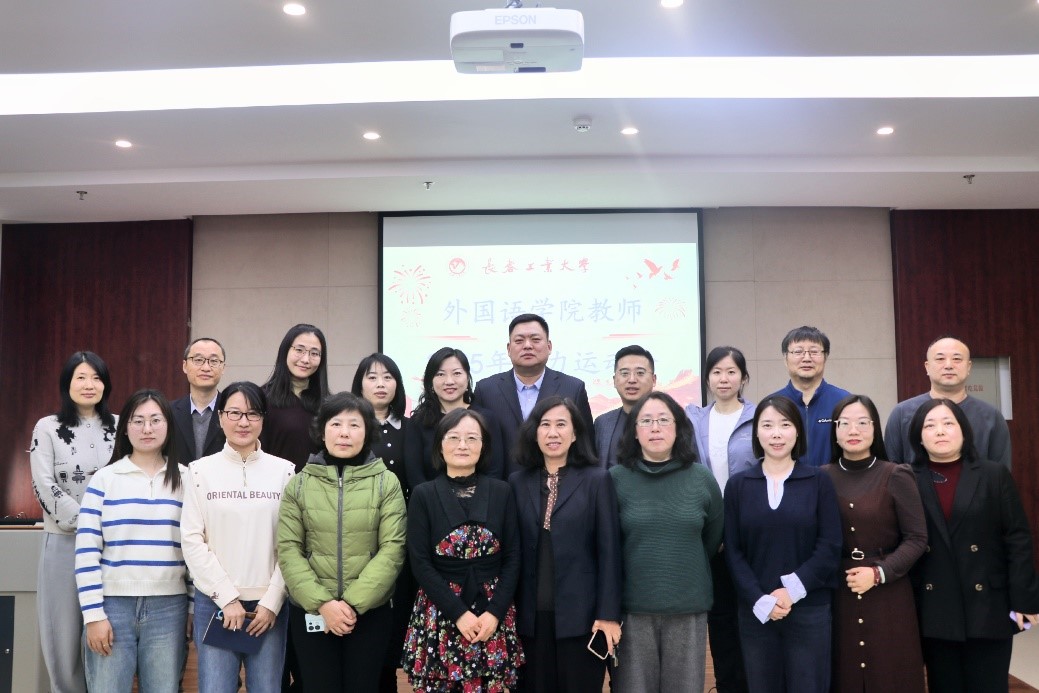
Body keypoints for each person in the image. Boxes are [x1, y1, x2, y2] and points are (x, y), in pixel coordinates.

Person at [277, 392, 407, 692]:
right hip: (312, 611)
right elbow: (288, 549)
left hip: (369, 612)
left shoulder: (386, 482)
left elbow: (393, 549)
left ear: (368, 432)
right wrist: (323, 604)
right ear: (322, 432)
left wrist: (350, 604)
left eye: (354, 425)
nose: (344, 432)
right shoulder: (299, 484)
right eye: (336, 424)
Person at [907, 398, 1039, 693]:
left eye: (948, 423)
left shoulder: (993, 474)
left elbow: (1017, 538)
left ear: (964, 431)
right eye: (930, 425)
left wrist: (1025, 599)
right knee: (945, 685)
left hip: (989, 604)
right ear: (919, 436)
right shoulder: (906, 478)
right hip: (934, 605)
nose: (940, 431)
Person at [75, 389, 192, 693]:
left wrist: (192, 607)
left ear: (168, 426)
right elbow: (86, 552)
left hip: (169, 608)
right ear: (125, 428)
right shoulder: (105, 479)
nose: (147, 428)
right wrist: (93, 615)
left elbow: (195, 549)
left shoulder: (187, 479)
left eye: (155, 420)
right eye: (138, 421)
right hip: (112, 607)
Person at [181, 381, 296, 693]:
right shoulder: (199, 471)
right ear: (220, 417)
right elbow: (192, 540)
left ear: (263, 419)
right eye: (234, 413)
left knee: (267, 688)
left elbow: (292, 545)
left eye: (252, 413)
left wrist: (272, 601)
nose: (243, 422)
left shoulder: (285, 472)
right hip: (215, 603)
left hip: (268, 607)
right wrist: (227, 597)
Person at [723, 396, 841, 693]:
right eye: (767, 425)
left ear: (798, 431)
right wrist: (760, 599)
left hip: (809, 608)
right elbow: (733, 552)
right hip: (756, 612)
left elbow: (830, 545)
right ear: (756, 433)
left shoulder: (818, 481)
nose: (776, 434)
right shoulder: (738, 485)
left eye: (785, 425)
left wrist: (791, 591)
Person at [402, 408, 524, 691]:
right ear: (440, 445)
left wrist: (494, 613)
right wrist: (459, 613)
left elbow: (513, 557)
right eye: (454, 437)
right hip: (441, 612)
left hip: (492, 613)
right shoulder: (423, 494)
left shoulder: (502, 491)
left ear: (483, 446)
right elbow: (419, 562)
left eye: (472, 438)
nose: (462, 445)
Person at [609, 392, 724, 693]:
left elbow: (712, 538)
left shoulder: (701, 478)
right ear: (634, 431)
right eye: (646, 421)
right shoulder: (615, 480)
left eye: (663, 420)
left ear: (679, 428)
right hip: (631, 609)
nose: (655, 428)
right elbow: (608, 545)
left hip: (687, 606)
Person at [509, 396, 622, 693]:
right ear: (534, 433)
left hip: (582, 620)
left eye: (561, 424)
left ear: (574, 434)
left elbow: (609, 553)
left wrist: (608, 614)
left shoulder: (598, 480)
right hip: (528, 621)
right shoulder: (517, 483)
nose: (553, 433)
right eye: (545, 425)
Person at [822, 394, 927, 693]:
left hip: (889, 591)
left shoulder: (896, 474)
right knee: (844, 673)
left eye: (862, 422)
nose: (853, 430)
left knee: (889, 673)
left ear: (875, 428)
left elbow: (917, 538)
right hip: (839, 590)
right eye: (844, 423)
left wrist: (879, 572)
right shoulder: (821, 478)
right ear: (835, 431)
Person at [29, 351, 117, 693]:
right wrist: (88, 521)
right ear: (67, 383)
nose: (89, 384)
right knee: (63, 639)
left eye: (96, 377)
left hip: (113, 545)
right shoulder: (48, 427)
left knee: (108, 637)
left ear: (105, 384)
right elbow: (43, 484)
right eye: (81, 377)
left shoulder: (122, 425)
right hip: (64, 542)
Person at [683, 346, 757, 693]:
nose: (723, 379)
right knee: (721, 618)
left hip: (751, 532)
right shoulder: (694, 419)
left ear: (743, 378)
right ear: (707, 378)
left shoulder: (760, 417)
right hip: (709, 536)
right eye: (716, 372)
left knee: (753, 613)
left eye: (731, 372)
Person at [350, 353, 414, 692]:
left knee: (392, 625)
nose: (380, 384)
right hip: (356, 540)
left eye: (388, 377)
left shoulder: (411, 429)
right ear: (360, 384)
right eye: (372, 377)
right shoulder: (348, 428)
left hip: (399, 541)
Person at [473, 314, 594, 477]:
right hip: (502, 486)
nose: (527, 346)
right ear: (508, 349)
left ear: (549, 346)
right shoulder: (486, 390)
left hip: (559, 485)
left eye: (535, 339)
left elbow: (586, 447)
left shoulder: (573, 388)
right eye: (519, 341)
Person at [885, 335, 1011, 468]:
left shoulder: (991, 416)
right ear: (927, 367)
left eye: (957, 359)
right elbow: (890, 470)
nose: (949, 365)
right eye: (940, 359)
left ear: (969, 367)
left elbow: (1001, 472)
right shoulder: (901, 413)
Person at [405, 347, 506, 489]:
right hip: (431, 500)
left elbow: (494, 470)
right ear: (430, 381)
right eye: (440, 374)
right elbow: (414, 475)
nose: (449, 381)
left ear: (467, 378)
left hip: (483, 500)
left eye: (457, 373)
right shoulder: (418, 422)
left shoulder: (486, 419)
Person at [765, 326, 849, 468]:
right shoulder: (771, 405)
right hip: (787, 482)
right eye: (798, 352)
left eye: (814, 352)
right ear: (785, 358)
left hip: (833, 482)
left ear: (825, 357)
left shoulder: (845, 402)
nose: (807, 358)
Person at [261, 323, 330, 472]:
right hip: (276, 484)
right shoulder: (262, 399)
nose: (306, 359)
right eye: (299, 350)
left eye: (314, 353)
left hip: (319, 484)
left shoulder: (329, 404)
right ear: (285, 350)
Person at [593, 345, 657, 469]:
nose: (632, 379)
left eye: (640, 373)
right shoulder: (602, 423)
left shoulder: (673, 421)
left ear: (653, 380)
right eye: (625, 373)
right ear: (614, 380)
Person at [171, 337, 227, 464]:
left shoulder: (234, 413)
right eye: (198, 360)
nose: (206, 367)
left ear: (223, 368)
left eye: (214, 361)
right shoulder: (168, 412)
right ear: (185, 366)